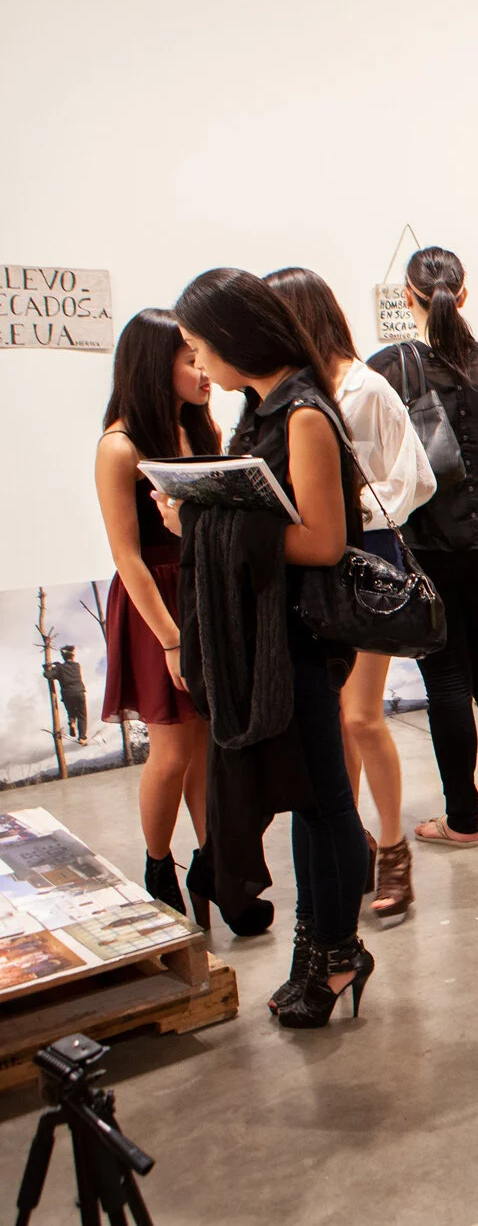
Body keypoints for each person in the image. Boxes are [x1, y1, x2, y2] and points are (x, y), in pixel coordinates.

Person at [167, 268, 375, 1028]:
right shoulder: (263, 409)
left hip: (303, 641)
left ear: (233, 338)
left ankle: (339, 954)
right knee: (309, 805)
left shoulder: (305, 414)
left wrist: (202, 522)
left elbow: (323, 541)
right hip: (270, 641)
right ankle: (314, 952)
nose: (198, 363)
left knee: (326, 805)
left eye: (198, 346)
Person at [266, 267, 435, 924]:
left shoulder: (366, 388)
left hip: (365, 562)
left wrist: (346, 509)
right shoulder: (295, 392)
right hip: (316, 566)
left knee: (362, 716)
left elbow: (416, 477)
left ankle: (393, 849)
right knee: (331, 719)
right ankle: (353, 839)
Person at [370, 247, 478, 849]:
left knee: (447, 682)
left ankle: (461, 819)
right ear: (463, 295)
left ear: (407, 298)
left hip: (428, 552)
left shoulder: (390, 368)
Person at [94, 308, 220, 915]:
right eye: (191, 360)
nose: (205, 371)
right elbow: (127, 557)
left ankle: (215, 863)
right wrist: (171, 640)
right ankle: (157, 865)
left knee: (209, 743)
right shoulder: (119, 447)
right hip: (156, 605)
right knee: (171, 750)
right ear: (154, 366)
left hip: (201, 592)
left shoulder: (199, 429)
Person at [44, 649, 88, 741]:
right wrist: (59, 666)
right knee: (82, 716)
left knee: (71, 711)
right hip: (79, 692)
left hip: (67, 694)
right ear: (72, 656)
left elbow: (48, 675)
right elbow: (67, 668)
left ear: (63, 657)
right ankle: (82, 737)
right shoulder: (77, 666)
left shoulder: (59, 668)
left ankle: (72, 721)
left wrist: (47, 668)